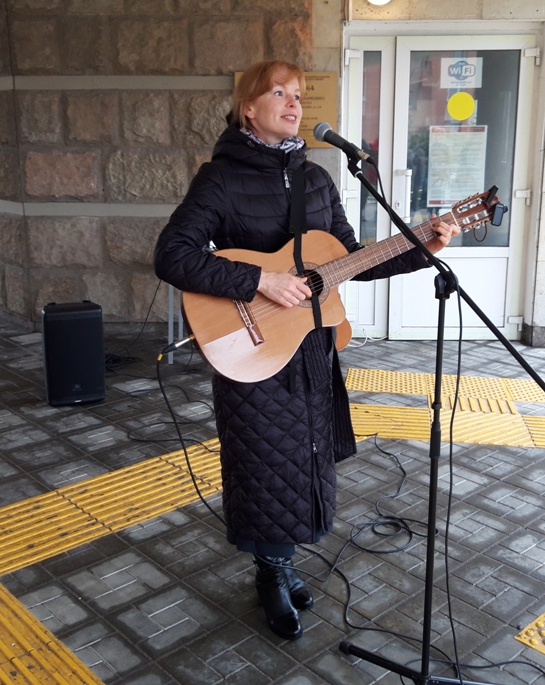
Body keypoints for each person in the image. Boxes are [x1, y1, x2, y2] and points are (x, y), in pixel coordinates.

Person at [153, 59, 459, 640]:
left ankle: (284, 562)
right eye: (279, 93)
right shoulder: (220, 179)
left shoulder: (317, 179)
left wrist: (421, 249)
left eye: (297, 94)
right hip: (253, 345)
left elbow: (348, 260)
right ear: (249, 108)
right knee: (264, 463)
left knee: (307, 457)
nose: (294, 103)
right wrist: (259, 281)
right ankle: (271, 572)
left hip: (311, 345)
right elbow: (173, 255)